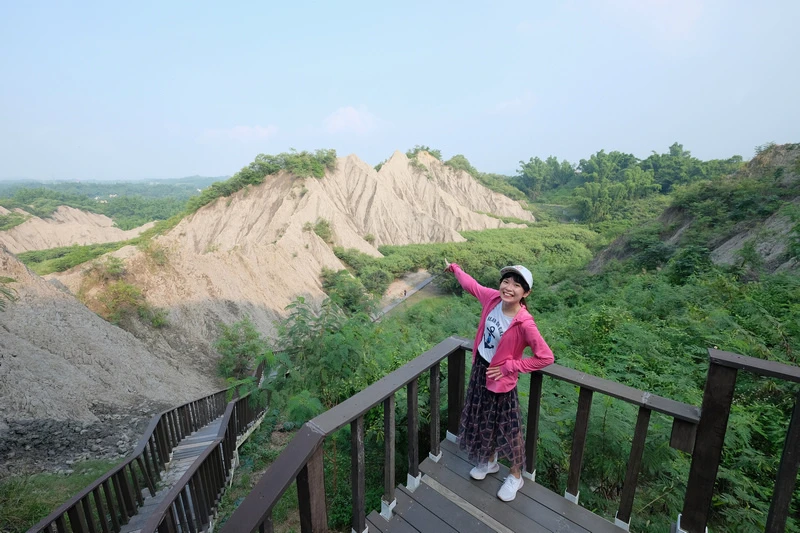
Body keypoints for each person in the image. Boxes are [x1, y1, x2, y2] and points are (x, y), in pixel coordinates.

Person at [444, 260, 554, 502]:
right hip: (480, 370)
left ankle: (516, 476)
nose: (509, 287)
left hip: (502, 380)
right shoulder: (493, 299)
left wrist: (512, 366)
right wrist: (455, 269)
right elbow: (471, 285)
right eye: (506, 281)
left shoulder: (524, 322)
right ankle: (490, 461)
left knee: (509, 428)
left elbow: (545, 357)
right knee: (483, 419)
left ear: (526, 293)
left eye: (517, 285)